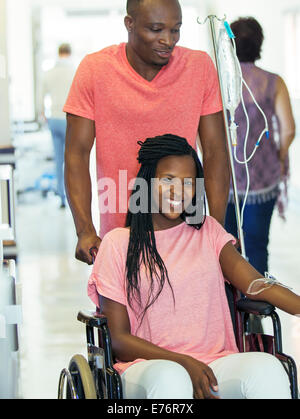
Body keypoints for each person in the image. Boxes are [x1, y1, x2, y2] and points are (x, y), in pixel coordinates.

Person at [87, 134, 299, 399]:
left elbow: (255, 285)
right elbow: (117, 339)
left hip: (214, 363)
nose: (179, 191)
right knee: (171, 379)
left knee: (268, 368)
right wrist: (182, 362)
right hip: (149, 368)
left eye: (188, 183)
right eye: (168, 180)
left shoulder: (208, 231)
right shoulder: (118, 244)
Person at [63, 0, 230, 264]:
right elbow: (76, 155)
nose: (168, 40)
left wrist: (216, 230)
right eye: (156, 29)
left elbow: (215, 151)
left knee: (197, 303)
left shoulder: (199, 67)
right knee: (125, 305)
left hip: (186, 222)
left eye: (175, 30)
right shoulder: (95, 70)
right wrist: (85, 230)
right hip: (121, 227)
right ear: (129, 24)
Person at [225, 17, 296, 274]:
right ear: (260, 43)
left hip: (225, 179)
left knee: (225, 245)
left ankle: (231, 306)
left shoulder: (219, 82)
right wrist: (276, 156)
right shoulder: (273, 82)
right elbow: (288, 129)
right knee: (256, 245)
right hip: (262, 179)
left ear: (229, 45)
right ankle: (255, 306)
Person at [41, 43, 75, 208]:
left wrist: (43, 114)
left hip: (53, 119)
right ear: (69, 53)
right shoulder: (74, 71)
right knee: (72, 160)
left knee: (58, 159)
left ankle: (61, 197)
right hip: (69, 119)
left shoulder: (49, 73)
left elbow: (40, 98)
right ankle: (72, 198)